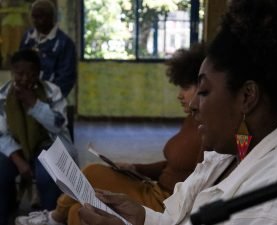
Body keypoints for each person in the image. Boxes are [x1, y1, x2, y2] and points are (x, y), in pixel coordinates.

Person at [76, 0, 277, 224]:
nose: (193, 104)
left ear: (247, 97)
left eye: (203, 91)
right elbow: (177, 220)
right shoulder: (232, 151)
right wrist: (143, 217)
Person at [14, 43, 207, 225]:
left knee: (78, 211)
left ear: (204, 87)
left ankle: (54, 218)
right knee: (92, 172)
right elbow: (174, 165)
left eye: (186, 87)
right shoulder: (193, 117)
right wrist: (135, 168)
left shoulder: (209, 131)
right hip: (153, 188)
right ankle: (54, 217)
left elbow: (199, 184)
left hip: (166, 203)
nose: (179, 95)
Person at [0, 49, 73, 225]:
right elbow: (1, 135)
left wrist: (33, 103)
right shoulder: (3, 96)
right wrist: (18, 160)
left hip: (47, 143)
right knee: (1, 172)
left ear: (39, 73)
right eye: (19, 74)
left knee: (47, 176)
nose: (25, 79)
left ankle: (49, 217)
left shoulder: (51, 92)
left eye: (31, 74)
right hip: (14, 147)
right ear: (12, 72)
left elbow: (57, 125)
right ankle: (4, 214)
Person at [19, 0, 77, 97]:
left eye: (40, 17)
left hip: (51, 99)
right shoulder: (28, 38)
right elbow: (19, 65)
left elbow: (66, 77)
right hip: (26, 96)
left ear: (51, 18)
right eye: (33, 17)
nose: (36, 21)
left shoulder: (64, 43)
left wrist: (49, 98)